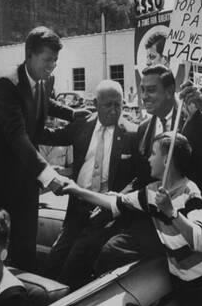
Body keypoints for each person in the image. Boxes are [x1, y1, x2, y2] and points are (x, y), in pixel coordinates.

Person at [63, 133, 202, 306]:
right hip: (186, 286)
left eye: (153, 153)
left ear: (166, 160)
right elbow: (116, 202)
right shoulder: (151, 192)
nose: (148, 158)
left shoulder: (190, 190)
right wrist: (76, 190)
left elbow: (199, 240)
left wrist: (172, 212)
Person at [0, 26, 90, 272]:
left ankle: (22, 301)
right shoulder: (5, 84)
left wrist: (71, 113)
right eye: (48, 59)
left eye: (56, 60)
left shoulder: (40, 82)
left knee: (24, 247)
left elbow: (43, 101)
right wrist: (49, 175)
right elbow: (18, 137)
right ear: (29, 55)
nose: (53, 66)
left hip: (25, 181)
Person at [40, 80, 144, 289]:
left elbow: (138, 178)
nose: (114, 110)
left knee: (73, 266)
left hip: (105, 212)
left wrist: (115, 199)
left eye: (119, 104)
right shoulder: (83, 125)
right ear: (96, 103)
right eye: (108, 105)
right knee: (54, 260)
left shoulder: (133, 133)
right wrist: (37, 105)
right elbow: (46, 136)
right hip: (76, 207)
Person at [137, 65, 202, 237]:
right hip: (158, 232)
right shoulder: (143, 129)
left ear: (169, 91)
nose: (144, 97)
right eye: (142, 90)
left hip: (195, 227)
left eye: (150, 90)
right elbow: (142, 178)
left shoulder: (196, 119)